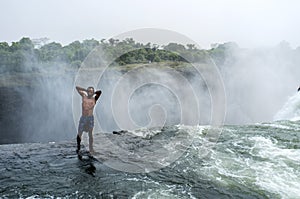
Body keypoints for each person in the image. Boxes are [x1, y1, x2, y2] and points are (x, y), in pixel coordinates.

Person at [76, 86, 101, 154]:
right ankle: (78, 147)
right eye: (89, 91)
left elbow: (100, 92)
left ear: (93, 92)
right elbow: (77, 87)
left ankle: (91, 148)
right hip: (83, 118)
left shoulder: (94, 98)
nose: (89, 92)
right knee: (79, 133)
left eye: (91, 91)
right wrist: (85, 90)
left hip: (90, 118)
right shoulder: (84, 96)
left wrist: (94, 93)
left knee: (90, 134)